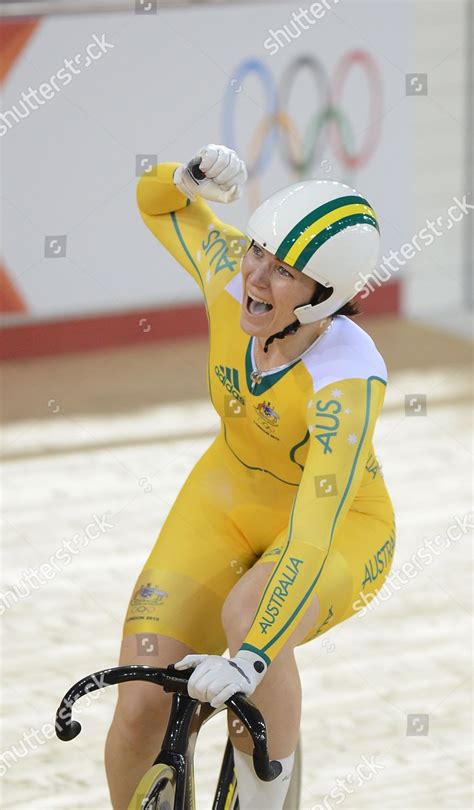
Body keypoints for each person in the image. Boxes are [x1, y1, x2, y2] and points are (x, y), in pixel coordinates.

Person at [105, 144, 396, 809]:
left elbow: (312, 534)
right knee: (140, 704)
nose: (257, 278)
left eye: (284, 271)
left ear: (324, 297)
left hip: (340, 530)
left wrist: (251, 658)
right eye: (257, 253)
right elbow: (158, 204)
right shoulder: (231, 277)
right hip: (224, 500)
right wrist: (181, 177)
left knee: (247, 620)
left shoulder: (347, 380)